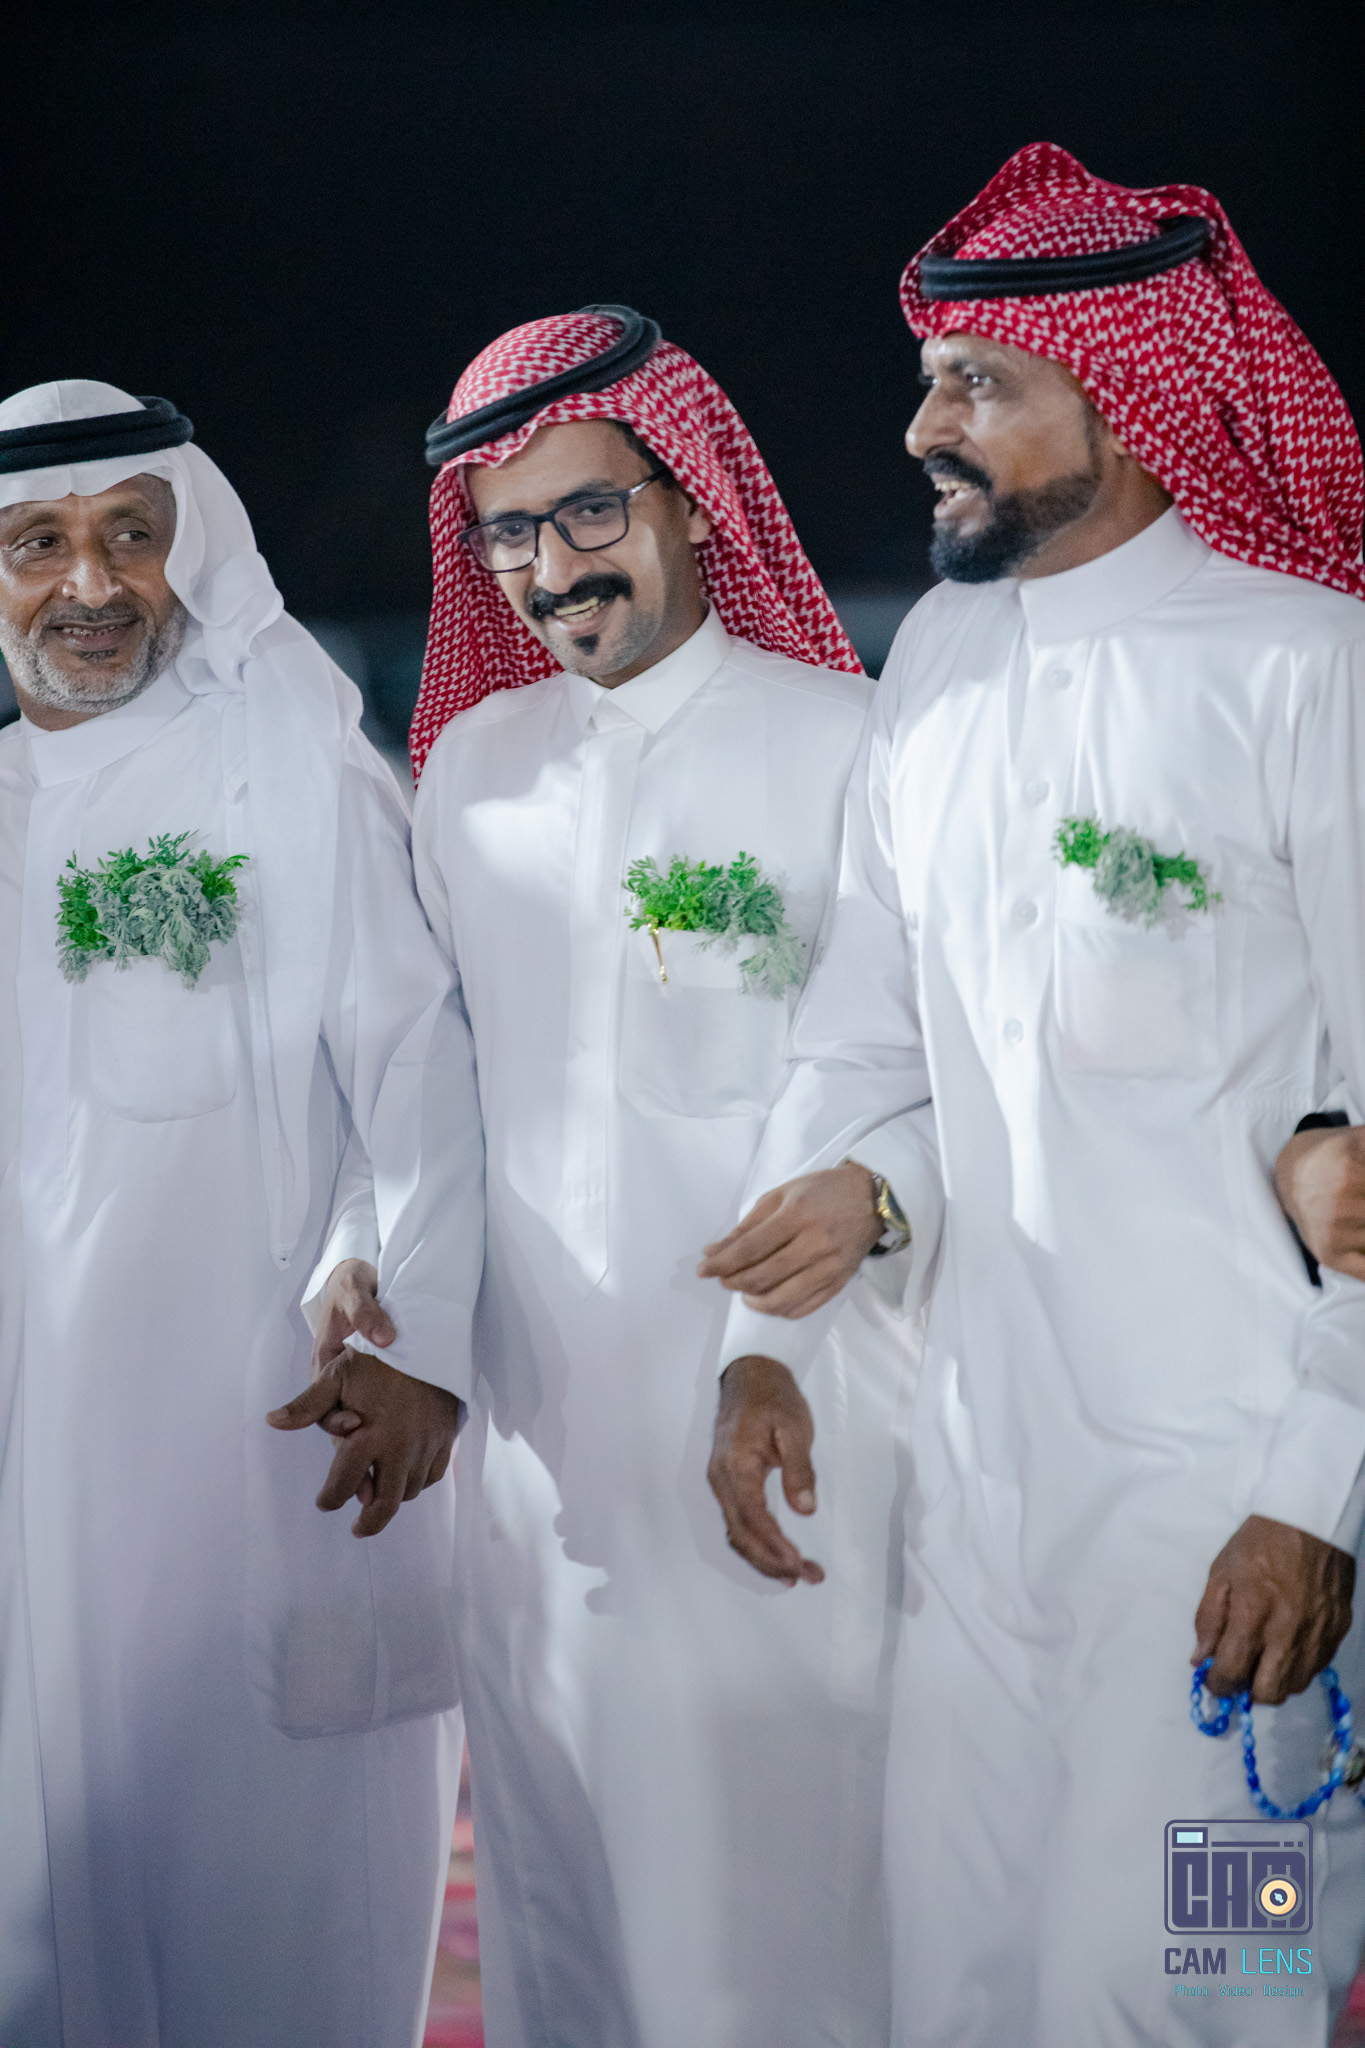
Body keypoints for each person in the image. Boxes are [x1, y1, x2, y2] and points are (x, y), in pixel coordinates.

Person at [700, 146, 1365, 2046]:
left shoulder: (1307, 666)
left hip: (1228, 1513)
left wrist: (1312, 1498)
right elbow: (877, 1044)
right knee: (964, 1992)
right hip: (984, 1500)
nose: (925, 429)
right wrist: (772, 1323)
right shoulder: (938, 663)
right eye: (930, 382)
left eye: (978, 385)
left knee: (1200, 1993)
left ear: (1133, 400)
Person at [311, 306, 928, 2048]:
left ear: (691, 497)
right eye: (507, 532)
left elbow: (905, 1069)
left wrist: (793, 1325)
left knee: (776, 1918)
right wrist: (368, 1253)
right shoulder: (470, 774)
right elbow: (425, 1080)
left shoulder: (848, 743)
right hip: (534, 1461)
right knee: (564, 1907)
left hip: (785, 1420)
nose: (551, 567)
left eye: (590, 510)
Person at [0, 381, 485, 2048]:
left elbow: (414, 1070)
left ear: (189, 553)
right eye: (37, 544)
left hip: (253, 1446)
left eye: (129, 536)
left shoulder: (284, 773)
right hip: (27, 1474)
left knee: (272, 1922)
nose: (88, 584)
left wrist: (407, 1319)